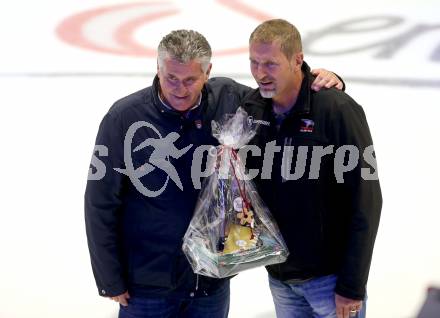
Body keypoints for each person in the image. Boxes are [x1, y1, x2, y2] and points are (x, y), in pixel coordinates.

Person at [84, 29, 343, 318]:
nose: (179, 89)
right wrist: (109, 278)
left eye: (190, 80)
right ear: (158, 68)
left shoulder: (230, 98)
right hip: (146, 287)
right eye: (171, 78)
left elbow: (281, 96)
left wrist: (319, 78)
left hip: (210, 286)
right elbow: (100, 202)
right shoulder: (124, 118)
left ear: (208, 71)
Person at [240, 19, 382, 318]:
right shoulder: (252, 108)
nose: (260, 73)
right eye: (254, 62)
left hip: (330, 282)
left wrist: (352, 285)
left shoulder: (337, 109)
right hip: (280, 279)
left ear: (297, 60)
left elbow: (366, 201)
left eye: (270, 64)